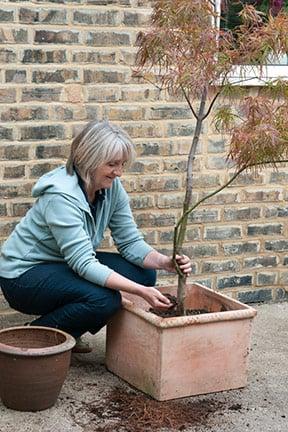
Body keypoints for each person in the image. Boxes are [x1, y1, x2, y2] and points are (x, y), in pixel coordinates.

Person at [0, 120, 191, 353]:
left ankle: (69, 329)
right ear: (88, 160)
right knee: (104, 299)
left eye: (122, 164)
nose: (119, 172)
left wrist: (165, 262)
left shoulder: (111, 188)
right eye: (112, 164)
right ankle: (33, 338)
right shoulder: (60, 197)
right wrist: (138, 292)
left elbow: (130, 241)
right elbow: (83, 264)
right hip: (23, 277)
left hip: (63, 265)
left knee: (143, 273)